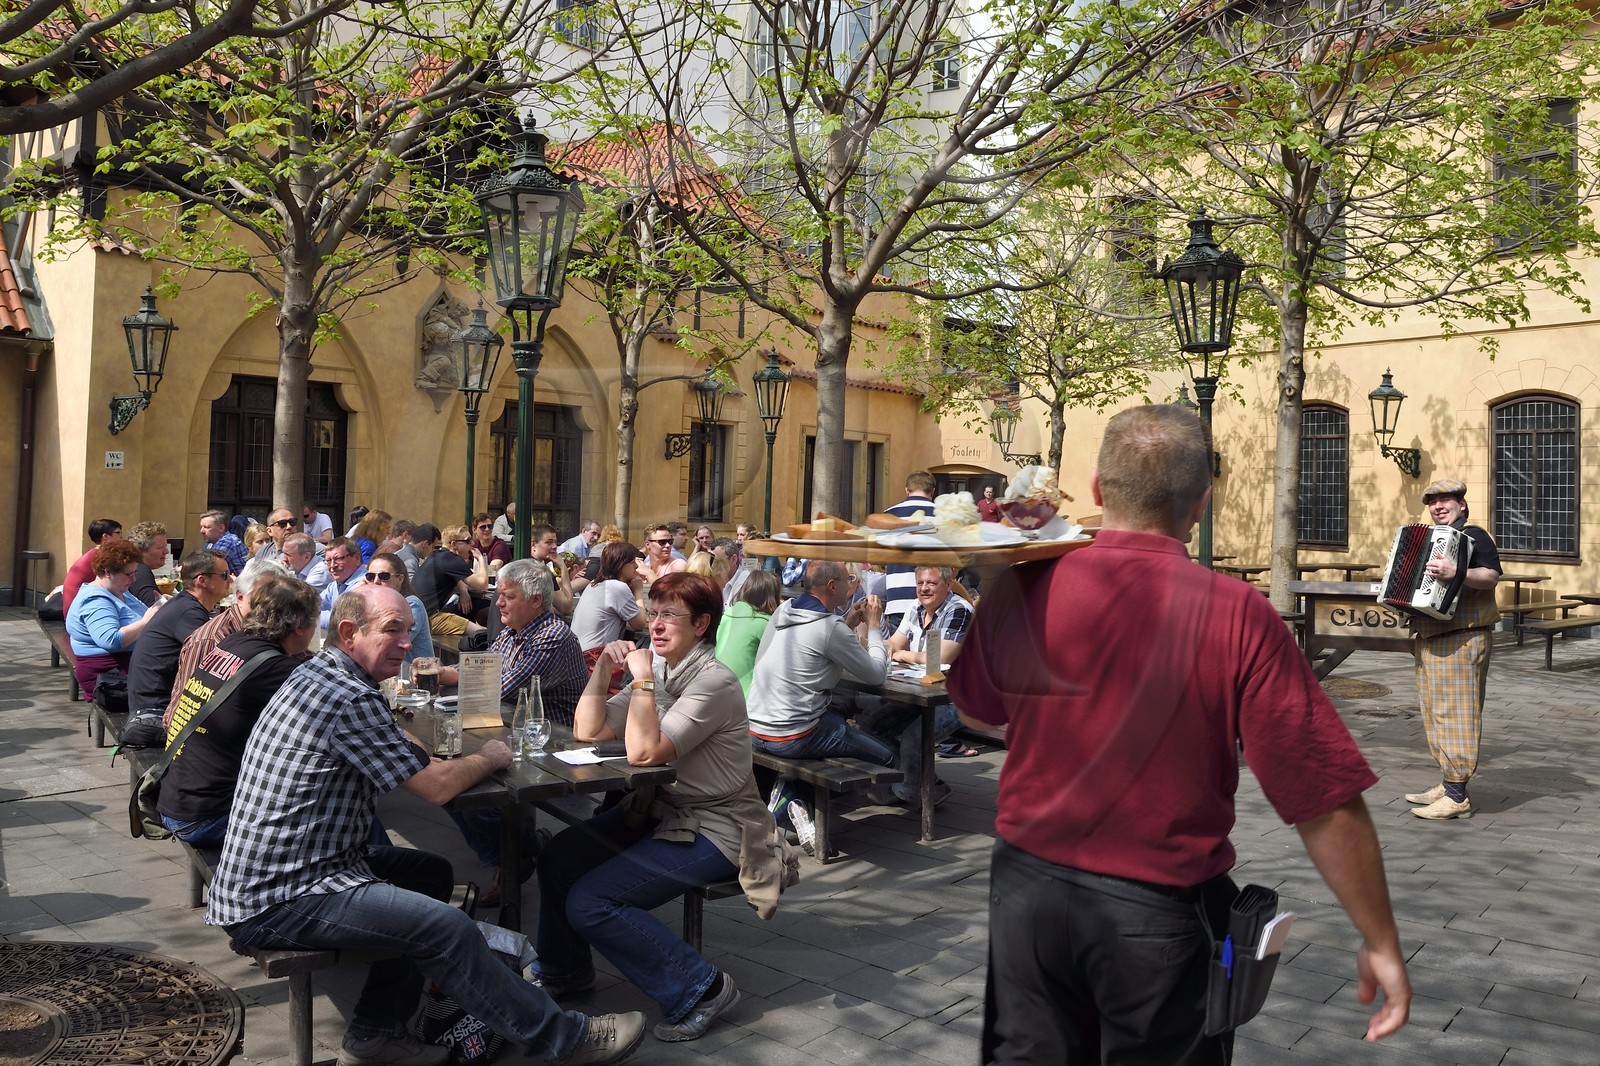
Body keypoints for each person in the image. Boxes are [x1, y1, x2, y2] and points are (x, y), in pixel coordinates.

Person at [948, 403, 1411, 1063]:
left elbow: (973, 713)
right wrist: (1381, 940)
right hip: (1154, 918)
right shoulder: (1238, 614)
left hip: (1028, 897)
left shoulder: (1021, 588)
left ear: (1100, 489)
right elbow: (1322, 797)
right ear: (1202, 502)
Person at [207, 583, 647, 1066]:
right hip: (282, 894)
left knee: (431, 875)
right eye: (392, 631)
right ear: (350, 632)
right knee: (446, 927)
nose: (405, 644)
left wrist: (432, 758)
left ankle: (376, 1036)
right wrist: (491, 756)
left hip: (288, 869)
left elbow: (404, 748)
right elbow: (437, 787)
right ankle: (565, 1040)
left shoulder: (322, 676)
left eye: (409, 632)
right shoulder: (349, 697)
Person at [539, 572, 794, 1044]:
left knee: (593, 900)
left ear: (701, 624)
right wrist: (601, 669)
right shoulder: (663, 672)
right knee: (559, 857)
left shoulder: (712, 682)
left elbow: (643, 753)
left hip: (719, 828)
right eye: (652, 612)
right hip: (658, 811)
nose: (655, 625)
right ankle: (565, 970)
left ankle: (701, 988)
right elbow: (588, 732)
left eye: (669, 615)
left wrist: (640, 680)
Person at [158, 574, 319, 847]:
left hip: (176, 799)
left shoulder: (234, 643)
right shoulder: (276, 669)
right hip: (205, 818)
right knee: (335, 819)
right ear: (300, 627)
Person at [746, 560, 891, 854]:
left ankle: (794, 794)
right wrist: (874, 627)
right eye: (848, 579)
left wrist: (848, 621)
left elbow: (814, 647)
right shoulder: (829, 627)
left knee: (834, 715)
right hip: (794, 734)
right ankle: (791, 795)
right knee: (887, 758)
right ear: (832, 586)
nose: (853, 584)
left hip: (754, 726)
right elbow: (877, 674)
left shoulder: (783, 610)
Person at [1405, 478, 1503, 820]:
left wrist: (1456, 571)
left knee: (1456, 714)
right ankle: (1449, 783)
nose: (1438, 506)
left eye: (1446, 500)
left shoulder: (1474, 536)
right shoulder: (1430, 540)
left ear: (1462, 505)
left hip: (1463, 637)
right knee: (1435, 713)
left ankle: (1457, 796)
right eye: (1432, 502)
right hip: (1431, 636)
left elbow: (1491, 576)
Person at [840, 565, 970, 804]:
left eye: (931, 583)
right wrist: (872, 638)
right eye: (920, 583)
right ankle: (928, 784)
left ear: (948, 585)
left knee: (914, 738)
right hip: (920, 690)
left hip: (957, 697)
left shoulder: (959, 609)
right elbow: (895, 643)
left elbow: (942, 657)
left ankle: (908, 794)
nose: (924, 588)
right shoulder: (915, 607)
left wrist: (904, 655)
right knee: (872, 728)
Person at [164, 560, 293, 728]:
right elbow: (182, 712)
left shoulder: (275, 630)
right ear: (240, 597)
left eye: (279, 599)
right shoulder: (211, 640)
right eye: (262, 598)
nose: (272, 606)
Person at [126, 550, 231, 722]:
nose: (230, 579)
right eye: (224, 575)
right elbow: (213, 660)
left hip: (150, 701)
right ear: (202, 581)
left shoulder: (185, 605)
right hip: (155, 710)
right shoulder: (189, 613)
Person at [65, 540, 163, 700]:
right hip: (111, 677)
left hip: (126, 667)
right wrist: (146, 621)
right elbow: (110, 640)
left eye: (135, 573)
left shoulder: (118, 590)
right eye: (128, 574)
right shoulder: (95, 600)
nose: (133, 578)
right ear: (108, 572)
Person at [415, 525, 489, 652]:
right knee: (482, 633)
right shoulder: (453, 560)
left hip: (419, 615)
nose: (472, 544)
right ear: (454, 544)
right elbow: (482, 585)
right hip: (430, 618)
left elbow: (453, 575)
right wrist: (481, 559)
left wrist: (464, 592)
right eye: (468, 541)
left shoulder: (436, 555)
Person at [880, 471, 938, 632]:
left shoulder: (889, 515)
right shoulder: (943, 515)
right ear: (932, 491)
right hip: (933, 600)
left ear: (907, 491)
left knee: (898, 654)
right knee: (931, 654)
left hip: (897, 601)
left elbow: (882, 557)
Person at [713, 569, 780, 696]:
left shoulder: (726, 616)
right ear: (772, 595)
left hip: (717, 690)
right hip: (747, 697)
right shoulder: (766, 624)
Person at [570, 542, 648, 650]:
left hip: (578, 655)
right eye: (632, 562)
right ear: (620, 565)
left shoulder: (594, 583)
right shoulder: (617, 587)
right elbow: (640, 624)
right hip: (593, 658)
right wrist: (638, 591)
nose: (636, 566)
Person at [366, 552, 434, 668]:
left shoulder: (411, 604)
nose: (376, 581)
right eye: (371, 577)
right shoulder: (373, 604)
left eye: (384, 576)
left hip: (416, 676)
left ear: (400, 579)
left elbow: (388, 644)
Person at [62, 518, 123, 617]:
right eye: (118, 533)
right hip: (78, 612)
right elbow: (115, 583)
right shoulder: (102, 556)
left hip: (73, 609)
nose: (122, 537)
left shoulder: (94, 554)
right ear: (106, 537)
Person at [531, 522, 585, 614]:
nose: (555, 546)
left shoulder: (539, 567)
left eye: (555, 542)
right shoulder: (539, 571)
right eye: (549, 542)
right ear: (533, 545)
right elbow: (566, 607)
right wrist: (563, 567)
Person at [319, 537, 368, 629]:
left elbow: (342, 620)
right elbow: (314, 604)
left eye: (339, 559)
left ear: (357, 558)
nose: (333, 566)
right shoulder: (336, 584)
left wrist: (307, 617)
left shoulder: (365, 584)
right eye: (328, 561)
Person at [125, 521, 170, 606]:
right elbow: (154, 607)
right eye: (160, 547)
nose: (166, 551)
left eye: (166, 546)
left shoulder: (138, 569)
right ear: (140, 550)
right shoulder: (140, 572)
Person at [199, 509, 249, 576]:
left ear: (221, 528)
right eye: (201, 527)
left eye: (207, 527)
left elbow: (208, 567)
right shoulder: (210, 544)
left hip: (241, 585)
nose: (201, 531)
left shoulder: (228, 541)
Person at [712, 537, 748, 606]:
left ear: (734, 559)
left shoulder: (746, 582)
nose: (713, 564)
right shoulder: (715, 579)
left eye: (718, 561)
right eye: (712, 560)